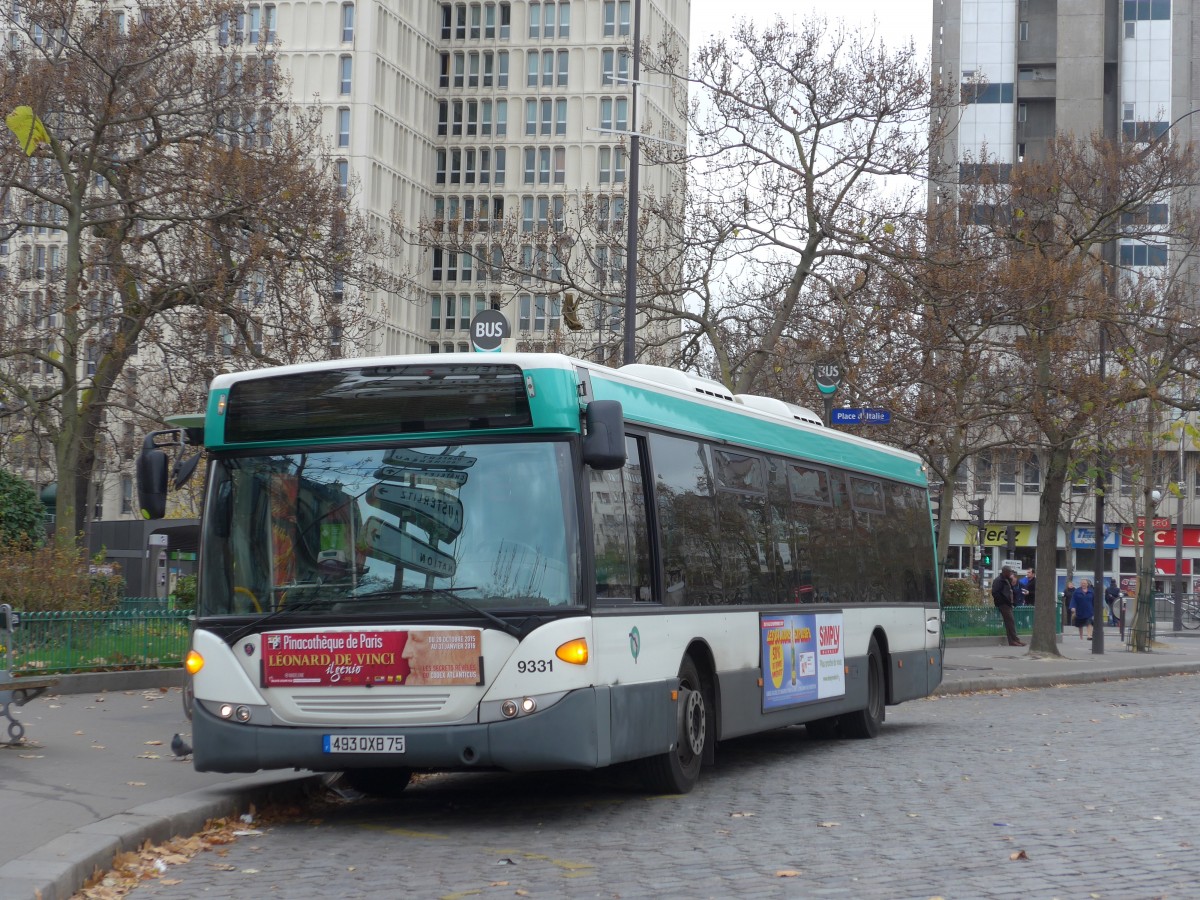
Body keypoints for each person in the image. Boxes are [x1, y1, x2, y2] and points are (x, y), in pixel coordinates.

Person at [991, 565, 1024, 646]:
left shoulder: (1007, 580)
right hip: (1004, 604)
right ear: (1005, 572)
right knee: (1010, 622)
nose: (1010, 573)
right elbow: (995, 592)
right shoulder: (999, 580)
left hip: (1008, 604)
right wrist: (1002, 601)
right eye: (1009, 572)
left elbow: (1011, 591)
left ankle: (1013, 641)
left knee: (1009, 623)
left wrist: (1013, 602)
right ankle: (1015, 640)